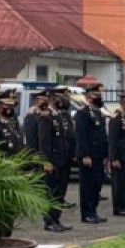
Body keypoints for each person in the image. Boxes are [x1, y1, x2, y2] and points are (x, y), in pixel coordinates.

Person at [37, 87, 73, 232]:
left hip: (62, 160)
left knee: (60, 193)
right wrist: (46, 162)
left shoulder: (58, 116)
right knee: (51, 192)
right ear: (52, 99)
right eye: (59, 98)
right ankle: (49, 221)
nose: (62, 101)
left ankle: (57, 218)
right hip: (52, 162)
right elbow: (44, 143)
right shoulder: (46, 117)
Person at [75, 83, 109, 224]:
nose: (99, 98)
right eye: (96, 96)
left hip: (99, 155)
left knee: (97, 184)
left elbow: (102, 136)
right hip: (88, 156)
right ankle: (87, 213)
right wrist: (85, 155)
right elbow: (81, 136)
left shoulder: (99, 113)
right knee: (87, 186)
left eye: (100, 96)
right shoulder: (82, 113)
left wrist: (106, 155)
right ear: (89, 97)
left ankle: (93, 210)